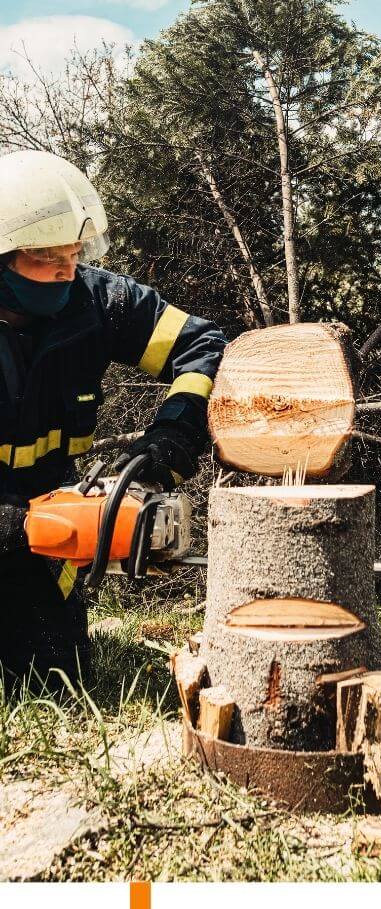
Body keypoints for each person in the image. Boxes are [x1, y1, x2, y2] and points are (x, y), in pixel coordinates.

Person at [0, 149, 226, 688]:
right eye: (46, 256)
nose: (66, 269)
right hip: (13, 522)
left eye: (74, 252)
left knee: (54, 676)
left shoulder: (99, 304)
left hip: (44, 530)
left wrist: (173, 434)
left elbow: (202, 344)